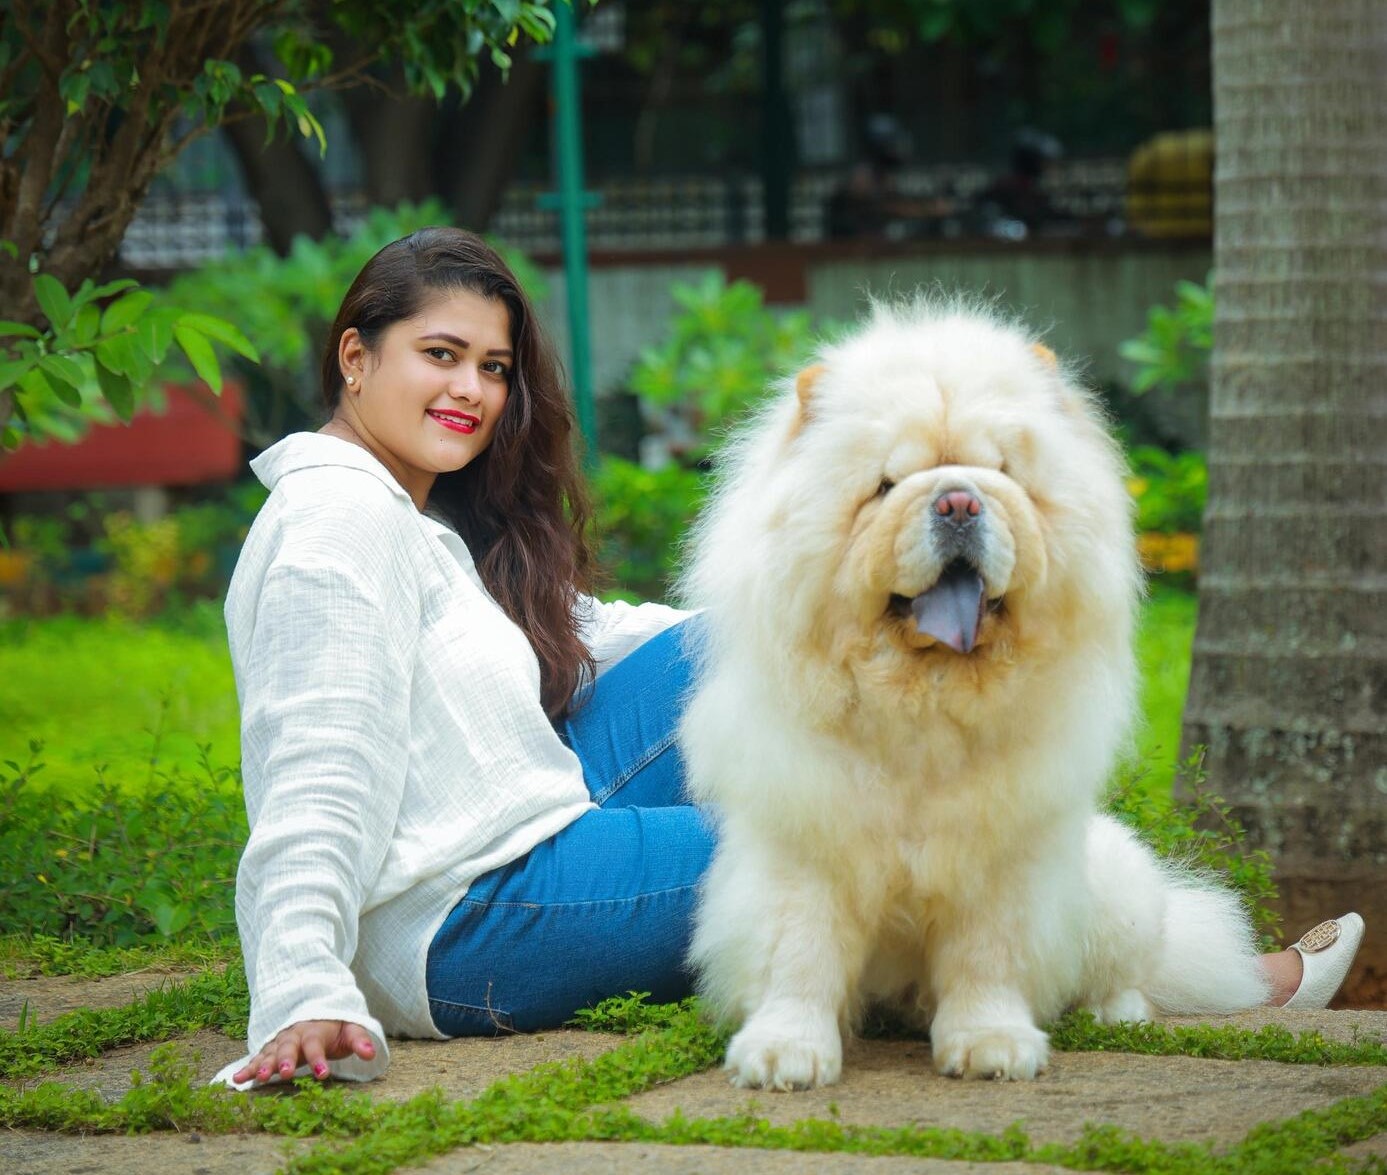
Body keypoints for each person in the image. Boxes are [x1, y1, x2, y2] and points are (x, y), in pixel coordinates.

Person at [217, 227, 1364, 1089]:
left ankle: (1044, 908)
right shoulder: (336, 530)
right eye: (441, 356)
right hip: (468, 922)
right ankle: (1157, 950)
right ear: (354, 358)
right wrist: (304, 986)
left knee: (760, 661)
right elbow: (315, 769)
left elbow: (567, 624)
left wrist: (792, 610)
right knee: (827, 826)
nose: (472, 390)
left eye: (495, 366)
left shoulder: (398, 507)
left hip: (523, 809)